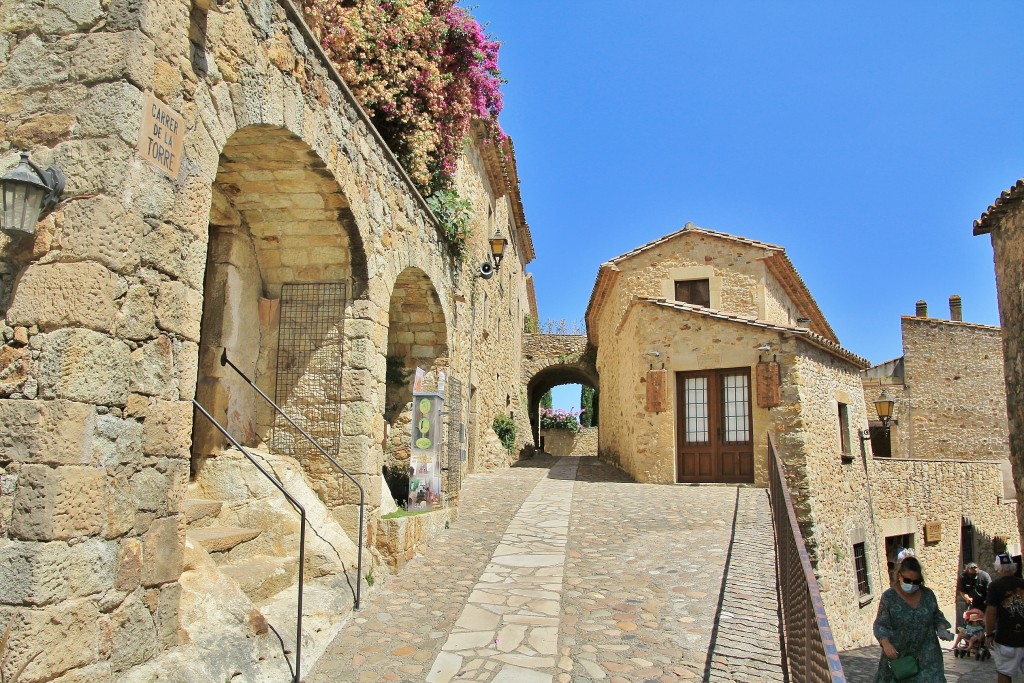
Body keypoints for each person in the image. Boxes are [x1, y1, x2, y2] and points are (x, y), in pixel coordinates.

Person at [874, 553, 953, 682]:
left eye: (916, 582)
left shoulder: (928, 595)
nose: (911, 584)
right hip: (900, 658)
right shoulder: (889, 598)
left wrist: (942, 628)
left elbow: (936, 616)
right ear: (899, 576)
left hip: (927, 657)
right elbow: (881, 624)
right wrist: (886, 643)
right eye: (907, 580)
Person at [985, 553, 1024, 683]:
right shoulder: (1022, 583)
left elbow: (991, 613)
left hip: (1006, 637)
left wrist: (989, 634)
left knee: (1004, 673)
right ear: (1013, 567)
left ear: (998, 568)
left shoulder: (995, 586)